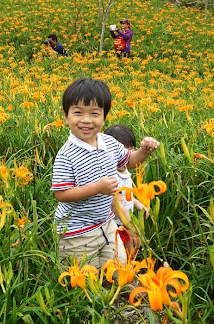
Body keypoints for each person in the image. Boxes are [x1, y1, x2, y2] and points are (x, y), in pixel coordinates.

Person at [52, 78, 159, 268]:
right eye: (78, 113)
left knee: (119, 266)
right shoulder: (66, 155)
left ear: (104, 117)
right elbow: (61, 194)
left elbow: (130, 161)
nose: (86, 120)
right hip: (77, 232)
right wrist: (96, 188)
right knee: (85, 277)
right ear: (66, 115)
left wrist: (143, 151)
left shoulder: (109, 143)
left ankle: (122, 293)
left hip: (107, 223)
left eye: (94, 113)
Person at [104, 124, 150, 262]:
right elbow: (116, 204)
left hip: (127, 219)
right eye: (123, 153)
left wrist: (138, 204)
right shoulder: (112, 176)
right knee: (124, 249)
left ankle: (129, 270)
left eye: (131, 151)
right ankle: (126, 274)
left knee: (132, 247)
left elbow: (127, 196)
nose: (127, 157)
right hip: (118, 223)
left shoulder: (125, 170)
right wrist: (131, 225)